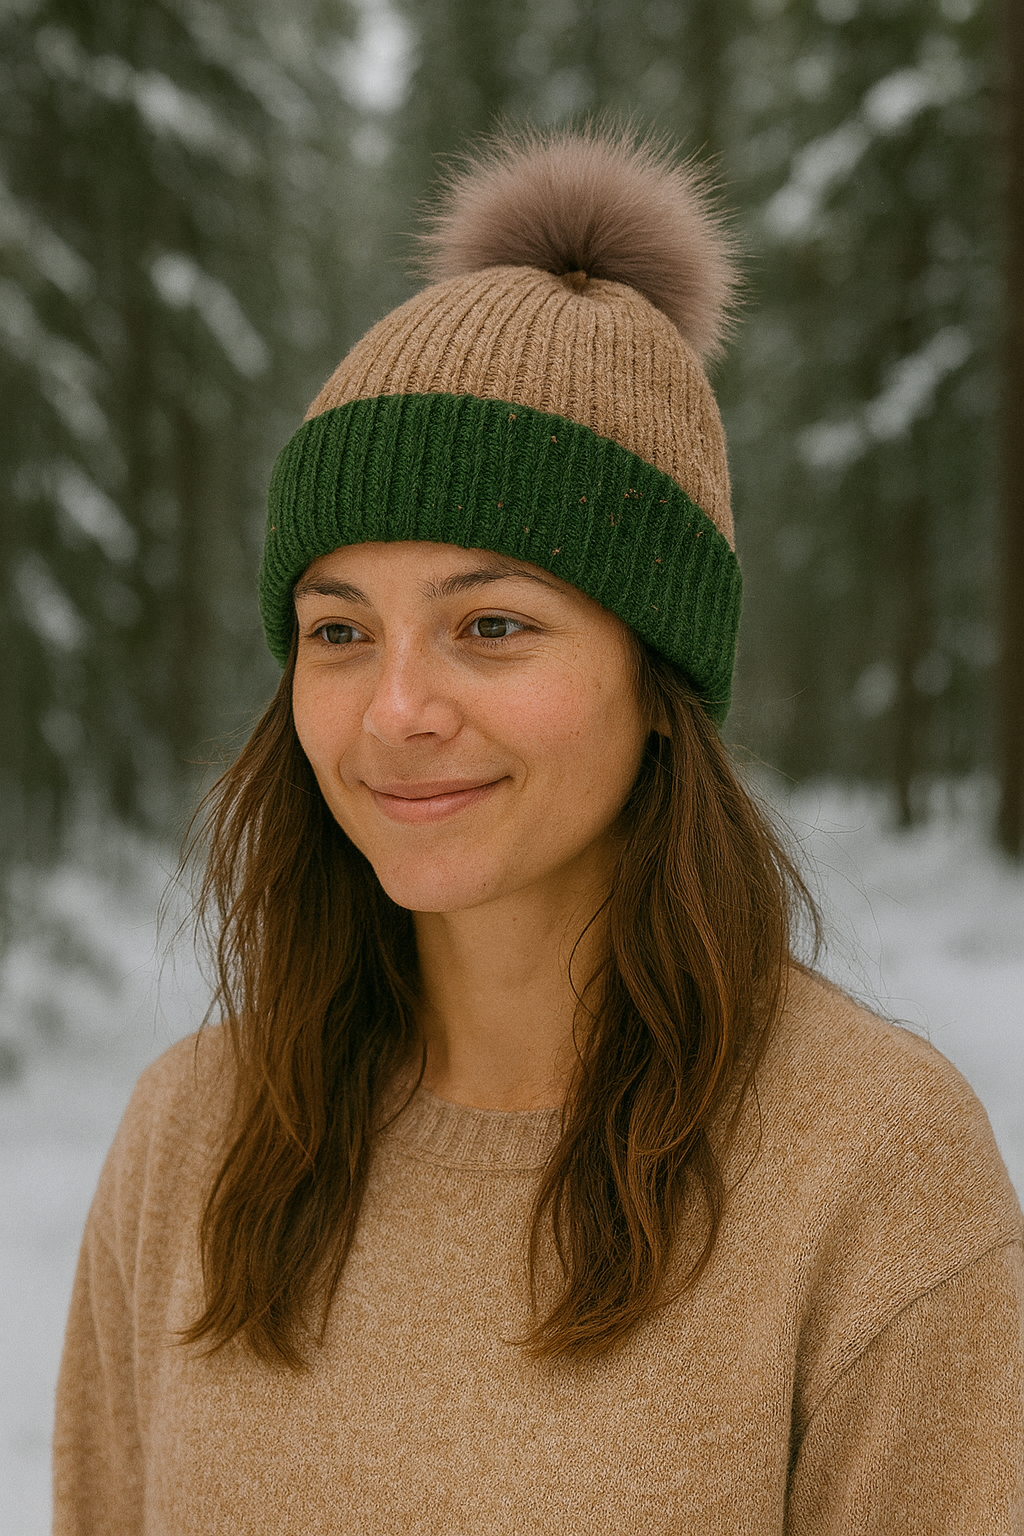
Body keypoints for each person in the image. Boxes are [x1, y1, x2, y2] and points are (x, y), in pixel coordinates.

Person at [53, 126, 1023, 1535]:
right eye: (338, 631)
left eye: (490, 626)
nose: (394, 709)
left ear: (655, 680)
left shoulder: (871, 1166)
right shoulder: (192, 1136)